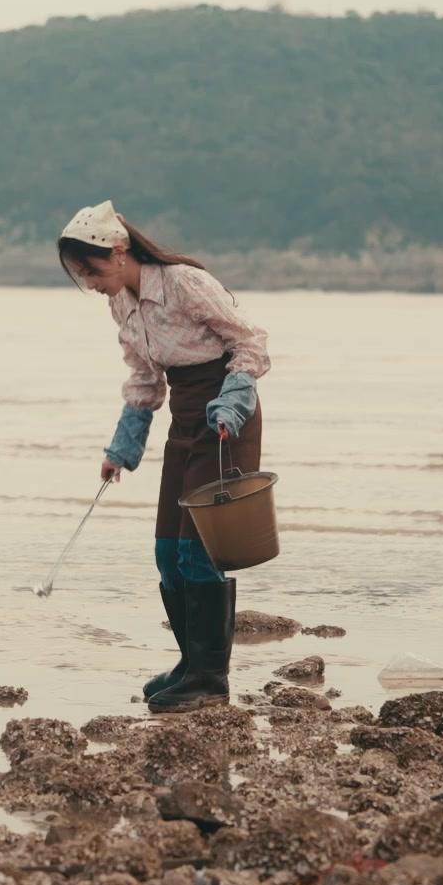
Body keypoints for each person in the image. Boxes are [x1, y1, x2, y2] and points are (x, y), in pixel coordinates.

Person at [58, 202, 270, 712]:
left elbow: (251, 344)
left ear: (119, 250)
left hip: (224, 421)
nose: (89, 283)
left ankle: (210, 681)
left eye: (92, 270)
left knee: (199, 552)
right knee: (165, 550)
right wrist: (121, 450)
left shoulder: (182, 282)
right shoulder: (122, 304)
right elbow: (147, 379)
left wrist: (230, 405)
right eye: (80, 275)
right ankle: (189, 662)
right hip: (184, 421)